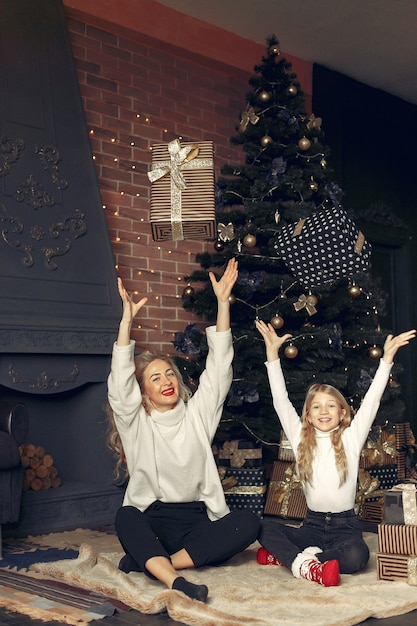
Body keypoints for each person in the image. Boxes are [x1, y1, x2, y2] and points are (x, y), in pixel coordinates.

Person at [106, 258, 260, 603]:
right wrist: (126, 323)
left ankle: (156, 565)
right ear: (143, 393)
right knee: (126, 517)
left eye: (170, 374)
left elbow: (220, 371)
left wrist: (223, 305)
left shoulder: (197, 416)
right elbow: (119, 387)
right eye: (155, 378)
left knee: (248, 523)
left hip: (196, 521)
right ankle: (177, 582)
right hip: (154, 519)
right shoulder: (136, 424)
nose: (166, 381)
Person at [255, 319, 416, 587]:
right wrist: (272, 354)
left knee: (357, 556)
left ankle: (296, 559)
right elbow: (280, 400)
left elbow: (372, 401)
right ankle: (305, 564)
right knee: (262, 528)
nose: (324, 411)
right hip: (312, 526)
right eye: (317, 407)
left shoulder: (351, 438)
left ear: (342, 413)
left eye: (331, 406)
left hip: (346, 526)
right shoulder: (299, 437)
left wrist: (386, 359)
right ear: (307, 414)